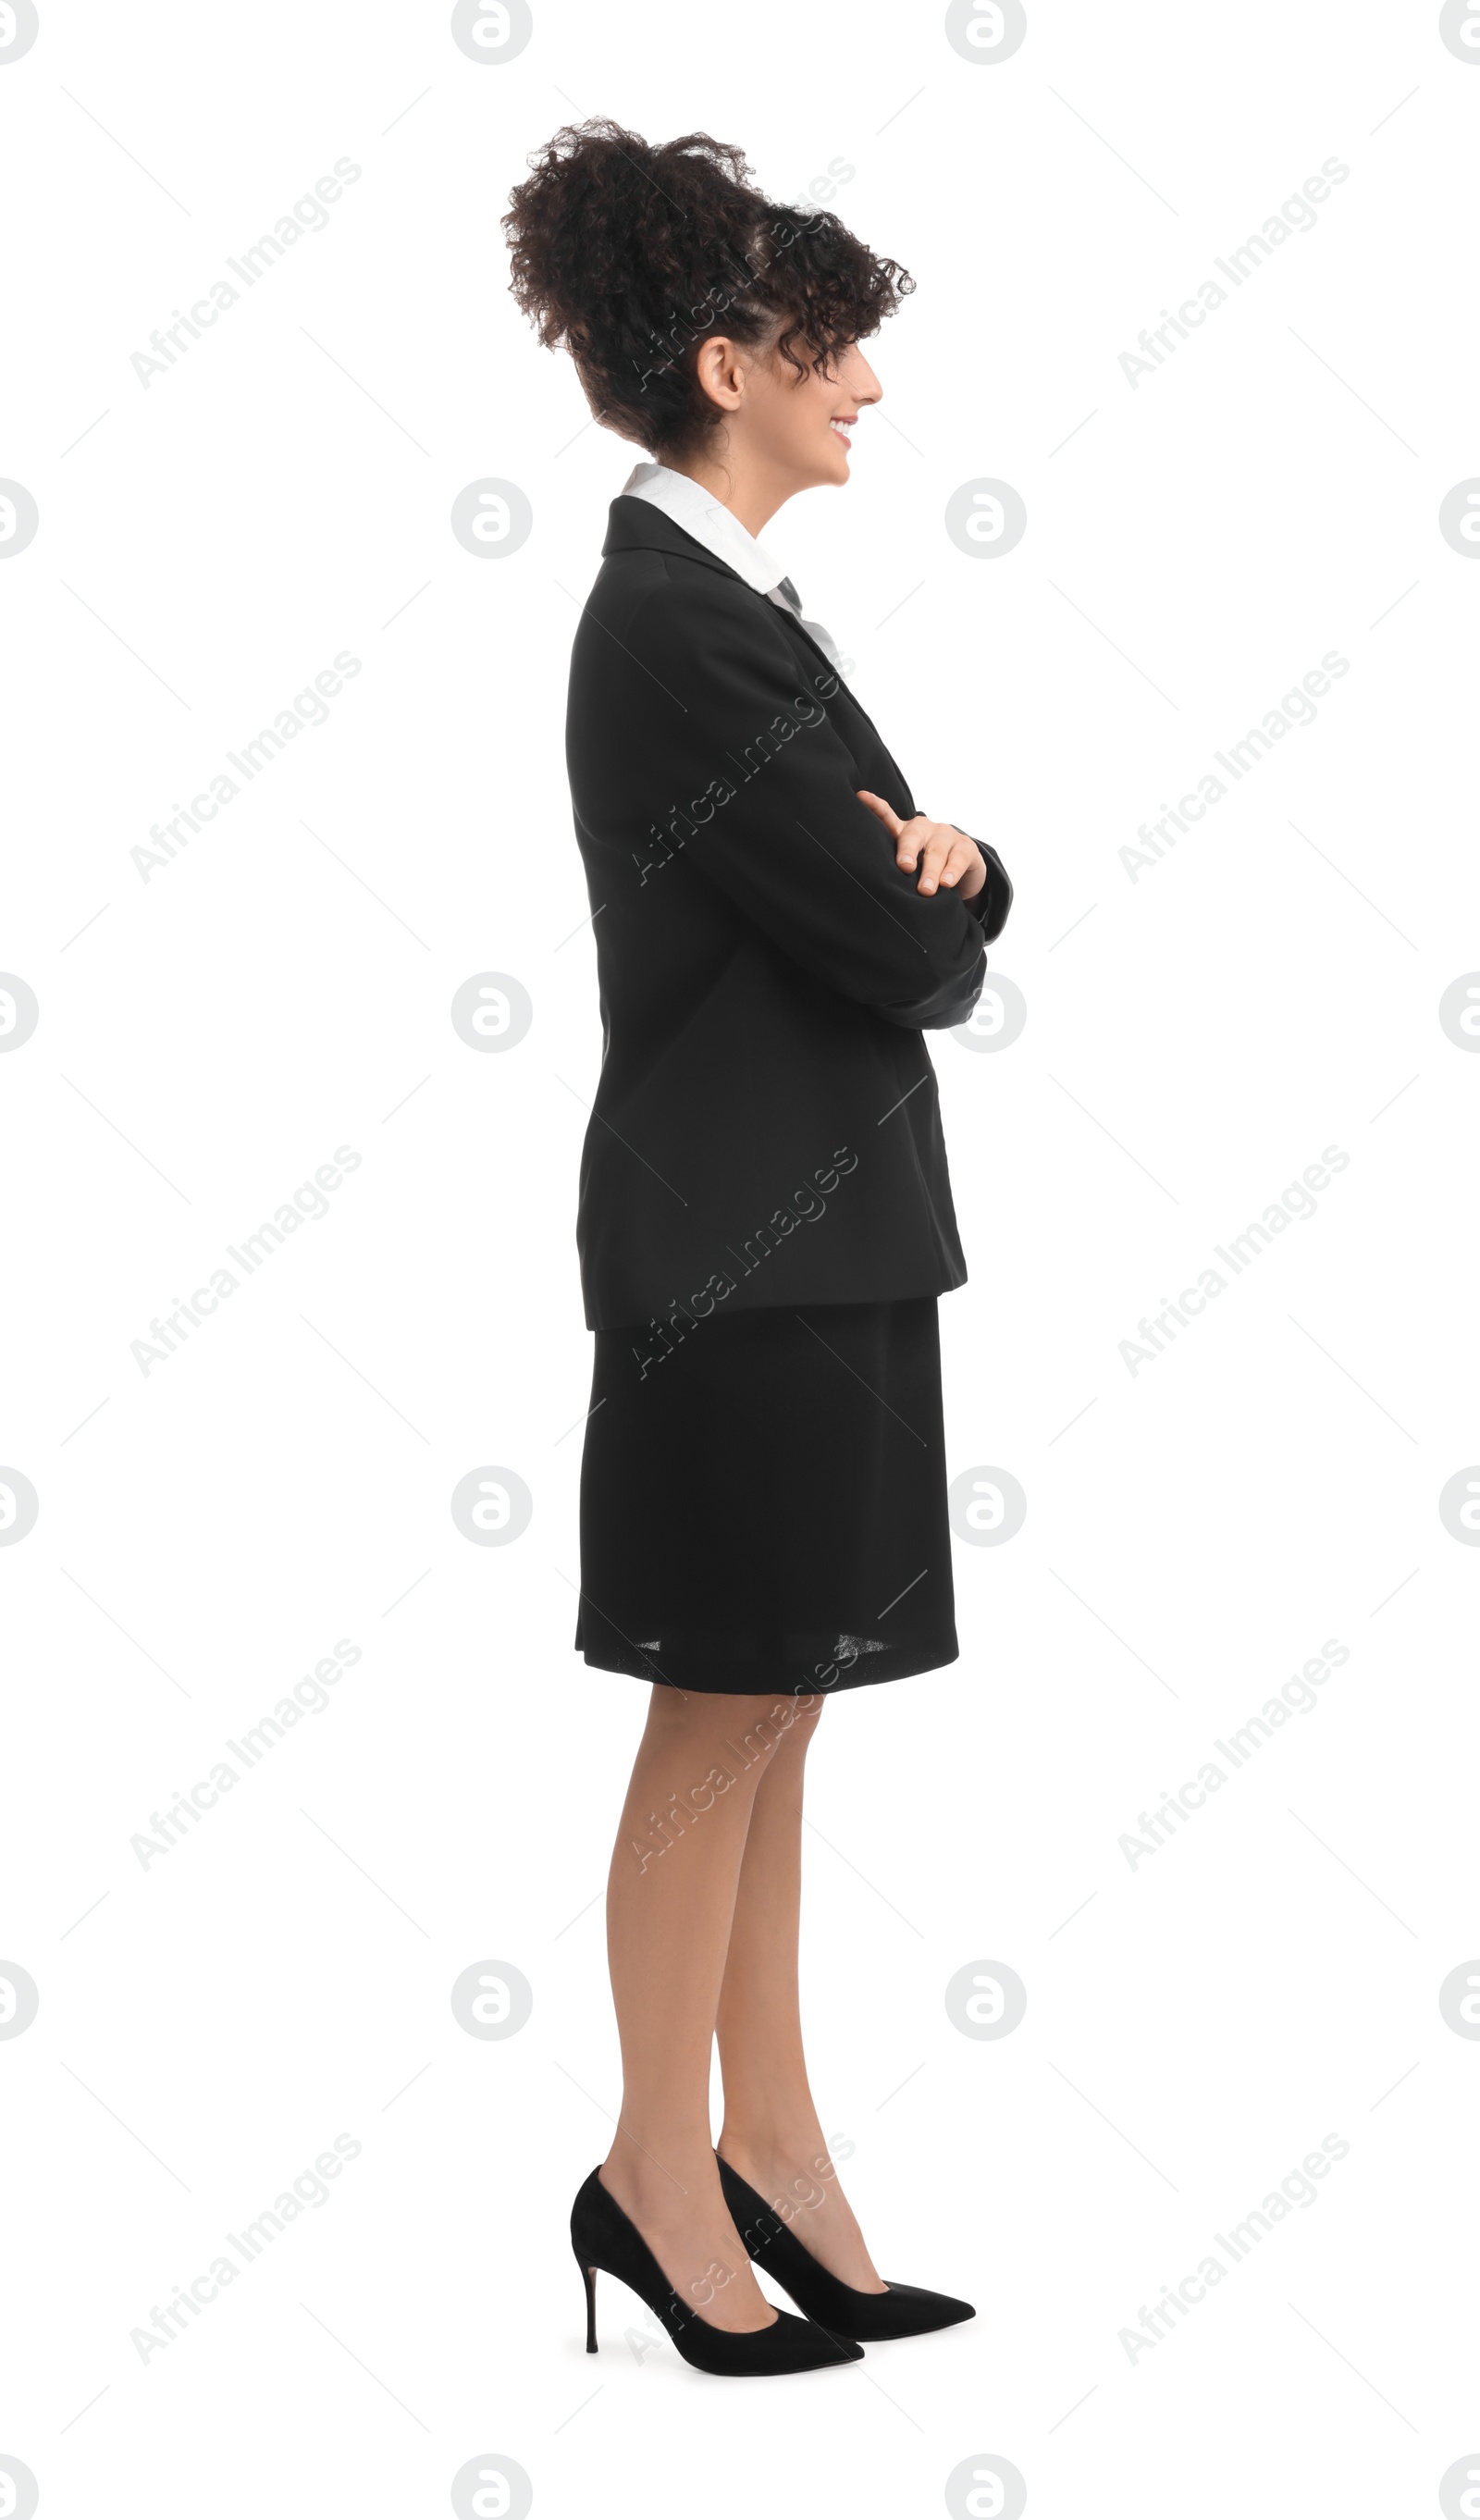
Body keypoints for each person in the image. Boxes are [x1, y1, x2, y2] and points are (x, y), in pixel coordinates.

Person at [504, 119, 1013, 2378]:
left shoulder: (725, 612)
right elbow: (894, 941)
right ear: (726, 363)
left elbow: (920, 910)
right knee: (717, 1722)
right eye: (830, 359)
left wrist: (952, 870)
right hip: (736, 1256)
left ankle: (779, 2156)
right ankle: (649, 2169)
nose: (867, 396)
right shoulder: (669, 626)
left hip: (817, 1247)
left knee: (779, 1718)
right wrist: (948, 881)